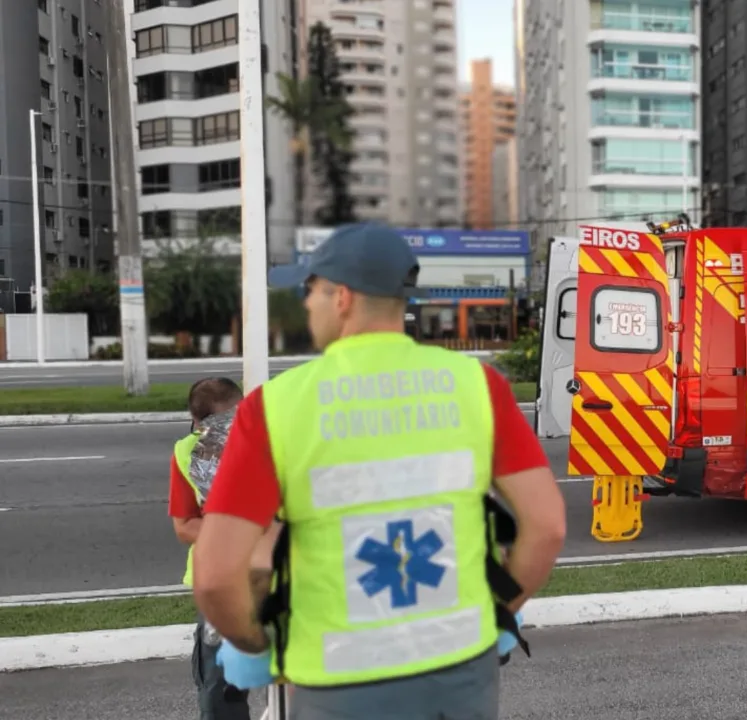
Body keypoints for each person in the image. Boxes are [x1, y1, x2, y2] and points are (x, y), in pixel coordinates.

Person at [191, 222, 567, 720]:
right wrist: (499, 614)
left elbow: (217, 577)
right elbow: (546, 527)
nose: (305, 305)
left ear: (341, 297)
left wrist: (259, 648)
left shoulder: (275, 407)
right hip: (461, 674)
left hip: (335, 685)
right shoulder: (478, 385)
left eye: (310, 290)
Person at [168, 376, 250, 720]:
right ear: (199, 424)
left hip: (281, 577)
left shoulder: (268, 444)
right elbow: (185, 525)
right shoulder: (186, 454)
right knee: (221, 689)